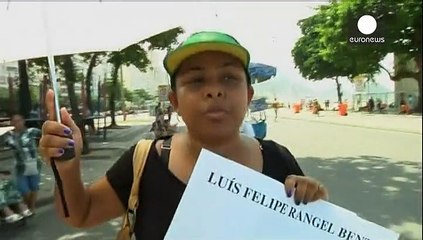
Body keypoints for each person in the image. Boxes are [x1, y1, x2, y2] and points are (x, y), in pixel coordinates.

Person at [38, 31, 329, 239]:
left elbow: (311, 228)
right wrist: (67, 166)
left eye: (229, 77)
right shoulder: (144, 160)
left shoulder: (279, 159)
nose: (214, 90)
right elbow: (80, 214)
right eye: (196, 80)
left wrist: (314, 201)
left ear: (249, 95)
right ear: (175, 101)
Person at [4, 114, 42, 213]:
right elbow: (8, 144)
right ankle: (27, 207)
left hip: (34, 164)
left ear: (23, 121)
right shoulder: (10, 136)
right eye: (15, 121)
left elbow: (45, 134)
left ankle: (31, 209)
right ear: (12, 123)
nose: (17, 123)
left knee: (34, 188)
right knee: (25, 191)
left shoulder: (32, 131)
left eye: (19, 120)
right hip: (20, 167)